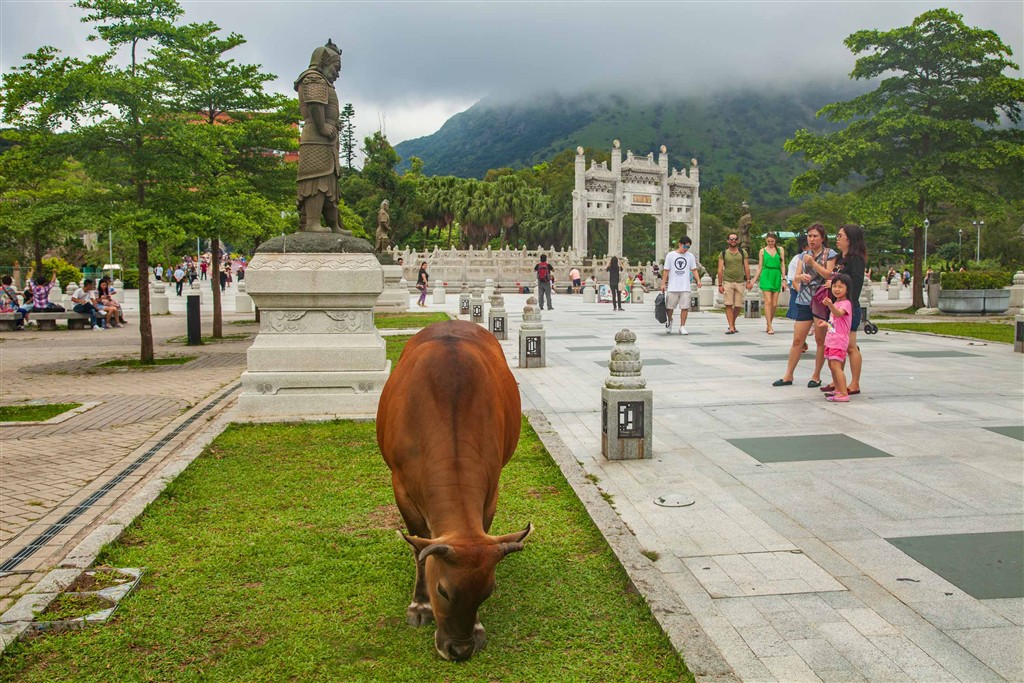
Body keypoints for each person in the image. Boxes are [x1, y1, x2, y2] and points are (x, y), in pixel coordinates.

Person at [773, 224, 837, 388]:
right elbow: (795, 277)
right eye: (809, 236)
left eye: (815, 236)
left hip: (821, 300)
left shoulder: (829, 254)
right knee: (798, 339)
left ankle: (816, 375)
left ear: (822, 238)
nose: (812, 239)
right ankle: (788, 375)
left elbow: (829, 274)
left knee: (820, 339)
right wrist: (800, 277)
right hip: (804, 298)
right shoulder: (803, 255)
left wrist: (814, 264)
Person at [819, 224, 866, 396]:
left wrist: (837, 285)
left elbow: (856, 283)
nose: (837, 239)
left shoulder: (856, 259)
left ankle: (854, 383)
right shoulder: (840, 259)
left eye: (840, 236)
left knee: (851, 346)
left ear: (850, 239)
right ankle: (838, 382)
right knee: (839, 345)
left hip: (848, 309)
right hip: (836, 307)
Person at [821, 274, 854, 402]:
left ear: (847, 289)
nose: (836, 289)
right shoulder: (837, 302)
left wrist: (830, 305)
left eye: (840, 287)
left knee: (836, 367)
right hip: (831, 340)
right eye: (834, 286)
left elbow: (839, 314)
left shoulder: (846, 304)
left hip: (839, 341)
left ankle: (844, 393)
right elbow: (835, 323)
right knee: (832, 366)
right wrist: (826, 324)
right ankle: (838, 389)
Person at [661, 235, 701, 335]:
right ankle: (669, 321)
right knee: (670, 307)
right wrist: (663, 283)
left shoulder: (690, 256)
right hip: (673, 286)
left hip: (685, 286)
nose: (686, 249)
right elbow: (666, 270)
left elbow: (694, 269)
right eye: (685, 246)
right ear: (680, 244)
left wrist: (698, 280)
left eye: (688, 247)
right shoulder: (671, 255)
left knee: (685, 307)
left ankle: (682, 326)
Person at [717, 233, 751, 334]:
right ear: (728, 240)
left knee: (738, 305)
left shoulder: (743, 252)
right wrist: (720, 284)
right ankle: (731, 327)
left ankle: (732, 323)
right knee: (728, 304)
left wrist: (748, 280)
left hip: (740, 281)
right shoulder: (723, 253)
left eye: (735, 239)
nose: (733, 241)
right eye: (731, 239)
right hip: (728, 281)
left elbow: (746, 267)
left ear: (738, 241)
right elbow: (720, 269)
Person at [758, 232, 785, 335]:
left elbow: (782, 264)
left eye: (772, 241)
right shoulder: (762, 251)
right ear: (766, 240)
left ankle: (769, 322)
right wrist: (753, 280)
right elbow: (760, 266)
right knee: (768, 302)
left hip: (776, 275)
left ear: (775, 241)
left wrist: (784, 278)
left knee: (774, 304)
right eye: (768, 241)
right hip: (766, 275)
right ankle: (769, 326)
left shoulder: (780, 250)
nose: (770, 243)